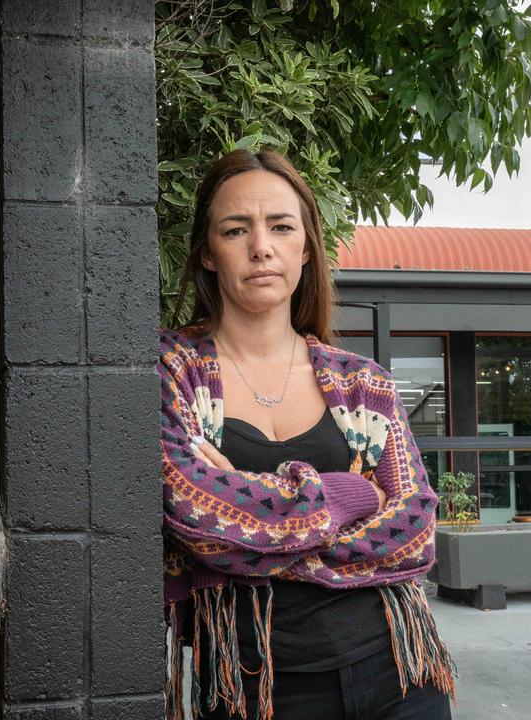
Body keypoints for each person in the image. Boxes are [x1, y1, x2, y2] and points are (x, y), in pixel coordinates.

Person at [158, 149, 455, 720]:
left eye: (280, 226)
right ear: (208, 253)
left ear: (306, 246)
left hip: (400, 671)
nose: (261, 246)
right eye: (236, 229)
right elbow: (195, 519)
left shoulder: (362, 383)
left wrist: (252, 510)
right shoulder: (173, 371)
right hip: (255, 687)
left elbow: (415, 529)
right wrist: (354, 496)